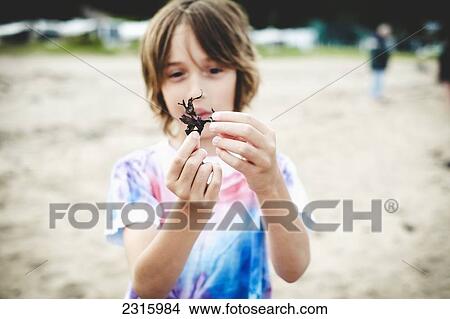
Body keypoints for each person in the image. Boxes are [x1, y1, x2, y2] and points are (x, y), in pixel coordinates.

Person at [104, 0, 311, 299]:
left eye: (214, 69)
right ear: (157, 86)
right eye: (176, 74)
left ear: (241, 74)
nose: (195, 92)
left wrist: (270, 186)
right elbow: (148, 288)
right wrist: (191, 212)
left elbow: (294, 269)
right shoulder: (136, 171)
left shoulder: (269, 165)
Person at [369, 23, 393, 101]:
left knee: (380, 80)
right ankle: (374, 94)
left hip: (382, 64)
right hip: (376, 63)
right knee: (376, 79)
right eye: (386, 30)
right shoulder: (375, 39)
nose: (387, 32)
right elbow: (374, 52)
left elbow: (388, 53)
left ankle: (378, 94)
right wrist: (386, 51)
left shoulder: (386, 40)